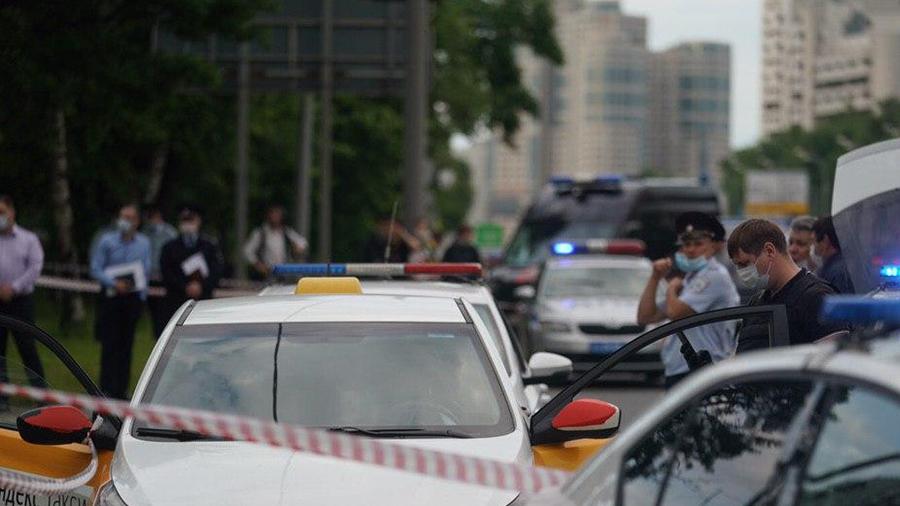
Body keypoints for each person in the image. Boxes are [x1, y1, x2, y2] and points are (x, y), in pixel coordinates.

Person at [637, 212, 739, 388]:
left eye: (698, 244)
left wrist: (671, 288)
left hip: (703, 369)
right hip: (682, 369)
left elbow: (676, 313)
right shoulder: (690, 279)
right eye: (686, 244)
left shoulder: (714, 276)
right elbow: (646, 316)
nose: (691, 250)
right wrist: (655, 277)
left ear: (715, 246)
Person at [728, 219, 849, 353]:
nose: (742, 272)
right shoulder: (756, 302)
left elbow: (835, 359)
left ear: (769, 251)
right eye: (738, 266)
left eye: (745, 264)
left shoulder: (816, 298)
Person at [90, 204, 151, 399]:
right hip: (111, 298)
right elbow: (95, 268)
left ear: (137, 222)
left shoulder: (144, 243)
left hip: (132, 299)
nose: (125, 221)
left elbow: (145, 270)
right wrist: (114, 283)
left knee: (127, 345)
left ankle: (122, 390)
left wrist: (141, 297)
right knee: (109, 345)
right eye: (123, 217)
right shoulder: (106, 241)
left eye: (130, 218)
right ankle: (105, 389)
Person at [0, 195, 46, 411]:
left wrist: (14, 287)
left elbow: (35, 267)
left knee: (27, 348)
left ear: (12, 212)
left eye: (2, 212)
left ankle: (41, 395)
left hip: (21, 301)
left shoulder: (28, 239)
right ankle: (2, 398)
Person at [160, 206, 224, 323]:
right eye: (184, 220)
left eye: (191, 220)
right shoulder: (169, 247)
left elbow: (216, 270)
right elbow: (167, 272)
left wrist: (201, 286)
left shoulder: (209, 246)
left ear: (198, 221)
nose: (188, 224)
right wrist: (185, 287)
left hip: (203, 300)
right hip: (177, 301)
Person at [243, 205, 308, 279]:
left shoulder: (286, 232)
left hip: (284, 272)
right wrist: (257, 264)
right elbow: (247, 251)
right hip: (266, 273)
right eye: (273, 214)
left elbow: (303, 242)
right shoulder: (260, 233)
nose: (275, 217)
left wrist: (297, 247)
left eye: (278, 215)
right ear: (268, 215)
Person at [141, 205, 177, 339]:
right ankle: (157, 336)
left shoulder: (170, 233)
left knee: (165, 311)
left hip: (165, 278)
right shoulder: (145, 233)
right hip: (149, 278)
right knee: (154, 312)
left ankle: (166, 335)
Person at [812, 216, 855, 294]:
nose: (813, 246)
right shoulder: (850, 263)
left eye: (814, 240)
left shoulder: (835, 272)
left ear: (825, 240)